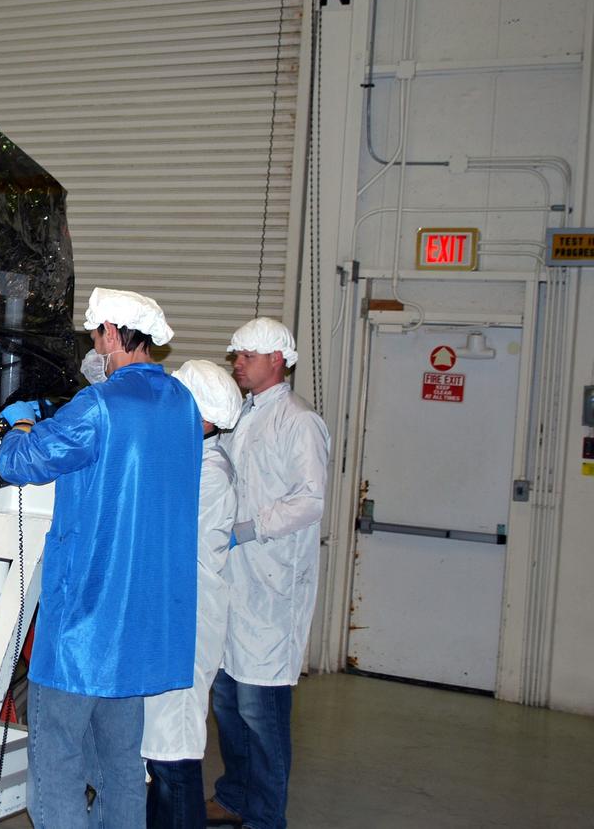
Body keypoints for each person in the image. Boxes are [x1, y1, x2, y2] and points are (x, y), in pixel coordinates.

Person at [0, 287, 202, 829]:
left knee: (58, 765)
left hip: (83, 627)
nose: (95, 346)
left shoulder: (99, 406)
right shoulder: (183, 405)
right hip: (140, 629)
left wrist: (19, 425)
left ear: (111, 333)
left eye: (95, 336)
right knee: (120, 766)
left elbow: (24, 462)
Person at [207, 317, 329, 829]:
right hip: (233, 580)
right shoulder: (242, 416)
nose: (238, 363)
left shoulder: (298, 421)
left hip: (274, 584)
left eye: (248, 356)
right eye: (236, 355)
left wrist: (249, 530)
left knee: (261, 710)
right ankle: (235, 795)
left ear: (277, 360)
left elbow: (311, 501)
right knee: (227, 699)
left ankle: (265, 817)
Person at [142, 360, 242, 829]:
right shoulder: (189, 456)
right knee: (158, 752)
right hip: (169, 615)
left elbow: (167, 540)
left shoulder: (209, 473)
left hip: (185, 619)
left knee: (174, 754)